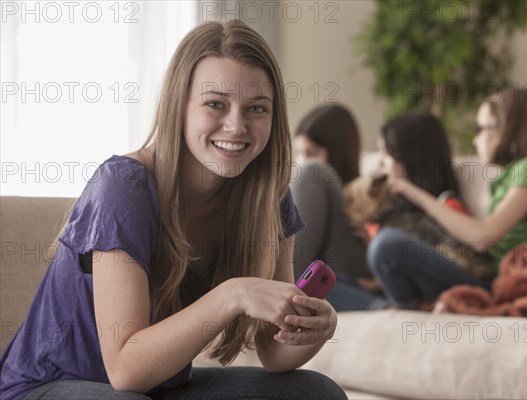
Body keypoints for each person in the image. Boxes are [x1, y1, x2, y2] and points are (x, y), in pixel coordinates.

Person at [0, 20, 346, 400]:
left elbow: (274, 353)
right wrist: (233, 295)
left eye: (256, 108)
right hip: (47, 386)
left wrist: (317, 328)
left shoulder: (267, 197)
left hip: (158, 388)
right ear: (178, 106)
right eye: (215, 103)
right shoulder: (124, 186)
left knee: (314, 393)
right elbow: (126, 370)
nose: (236, 126)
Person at [368, 89, 527, 308]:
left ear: (508, 129)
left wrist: (413, 192)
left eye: (480, 129)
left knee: (386, 246)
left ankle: (408, 307)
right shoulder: (514, 174)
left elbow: (483, 238)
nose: (475, 140)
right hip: (489, 276)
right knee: (345, 277)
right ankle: (396, 305)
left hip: (495, 284)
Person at [291, 104, 390, 311]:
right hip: (323, 280)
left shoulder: (374, 192)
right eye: (299, 152)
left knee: (312, 171)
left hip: (357, 281)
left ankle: (285, 291)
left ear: (339, 152)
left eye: (312, 152)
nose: (302, 161)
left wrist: (371, 241)